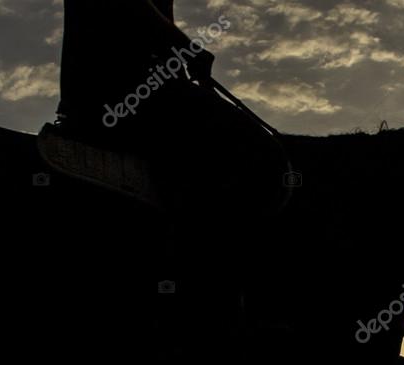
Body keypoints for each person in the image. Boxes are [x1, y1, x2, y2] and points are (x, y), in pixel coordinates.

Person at [55, 0, 287, 213]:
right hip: (115, 96)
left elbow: (159, 37)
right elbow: (133, 7)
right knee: (257, 156)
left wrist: (182, 74)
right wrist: (191, 52)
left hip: (141, 93)